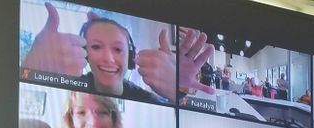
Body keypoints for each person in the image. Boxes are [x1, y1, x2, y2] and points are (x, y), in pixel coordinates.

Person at [21, 3, 215, 103]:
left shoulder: (146, 99)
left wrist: (178, 90)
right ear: (85, 53)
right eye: (96, 47)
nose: (108, 57)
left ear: (130, 57)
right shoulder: (68, 91)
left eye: (117, 49)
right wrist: (31, 71)